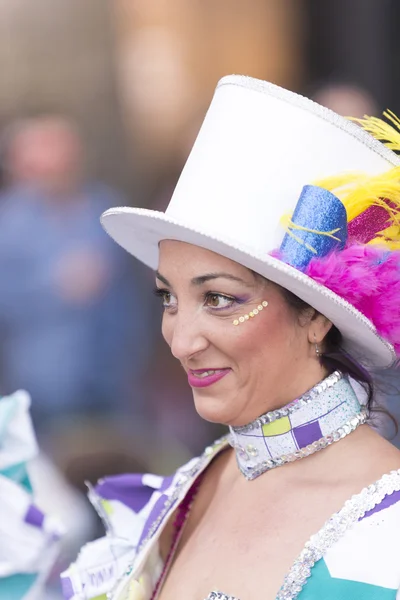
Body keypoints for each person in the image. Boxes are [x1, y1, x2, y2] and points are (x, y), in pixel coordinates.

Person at [61, 76, 400, 599]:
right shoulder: (185, 490)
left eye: (219, 298)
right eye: (167, 298)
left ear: (316, 317)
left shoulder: (388, 530)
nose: (180, 342)